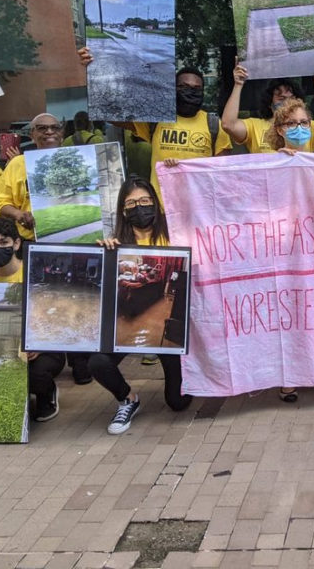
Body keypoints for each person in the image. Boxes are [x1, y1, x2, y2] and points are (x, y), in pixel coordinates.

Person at [89, 176, 193, 434]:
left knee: (178, 402)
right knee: (97, 362)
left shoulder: (174, 234)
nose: (139, 207)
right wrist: (104, 253)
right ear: (123, 210)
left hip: (170, 334)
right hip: (126, 329)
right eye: (132, 203)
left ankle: (192, 373)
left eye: (145, 200)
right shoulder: (115, 243)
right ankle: (128, 399)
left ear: (156, 203)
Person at [0, 113, 92, 384]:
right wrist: (18, 214)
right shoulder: (17, 164)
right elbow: (0, 202)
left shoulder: (78, 158)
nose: (48, 132)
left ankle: (80, 360)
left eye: (53, 128)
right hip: (34, 244)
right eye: (41, 128)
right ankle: (50, 354)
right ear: (32, 134)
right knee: (42, 299)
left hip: (73, 242)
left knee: (77, 297)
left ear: (62, 132)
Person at [263, 100, 314, 402]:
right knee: (291, 312)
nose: (299, 129)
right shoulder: (267, 162)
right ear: (279, 130)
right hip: (285, 250)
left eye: (304, 123)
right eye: (291, 124)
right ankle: (290, 377)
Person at [78, 48, 233, 198]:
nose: (190, 92)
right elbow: (109, 113)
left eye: (196, 88)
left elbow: (222, 173)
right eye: (183, 87)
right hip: (163, 208)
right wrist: (93, 71)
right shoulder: (157, 120)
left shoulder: (214, 125)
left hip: (199, 208)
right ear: (173, 89)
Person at [0, 216, 65, 421]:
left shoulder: (36, 275)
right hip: (6, 348)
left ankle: (47, 393)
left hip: (44, 349)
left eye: (3, 242)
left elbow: (58, 316)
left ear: (16, 243)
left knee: (35, 375)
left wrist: (39, 344)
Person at [222, 60, 314, 154]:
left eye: (290, 98)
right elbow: (228, 125)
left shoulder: (305, 126)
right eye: (281, 98)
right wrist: (238, 84)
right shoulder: (254, 125)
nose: (286, 103)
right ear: (269, 103)